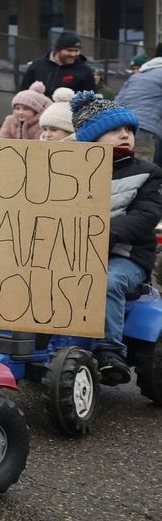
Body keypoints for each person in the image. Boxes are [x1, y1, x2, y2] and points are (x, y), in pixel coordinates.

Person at [70, 92, 162, 384]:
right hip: (74, 251)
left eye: (129, 130)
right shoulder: (71, 171)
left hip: (126, 255)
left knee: (106, 280)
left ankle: (110, 351)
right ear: (91, 137)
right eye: (115, 130)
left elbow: (145, 215)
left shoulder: (148, 173)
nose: (125, 135)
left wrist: (105, 236)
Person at [20, 32, 97, 94]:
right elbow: (23, 93)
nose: (73, 54)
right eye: (69, 50)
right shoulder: (37, 66)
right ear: (58, 50)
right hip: (39, 112)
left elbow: (90, 99)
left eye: (76, 51)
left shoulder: (85, 71)